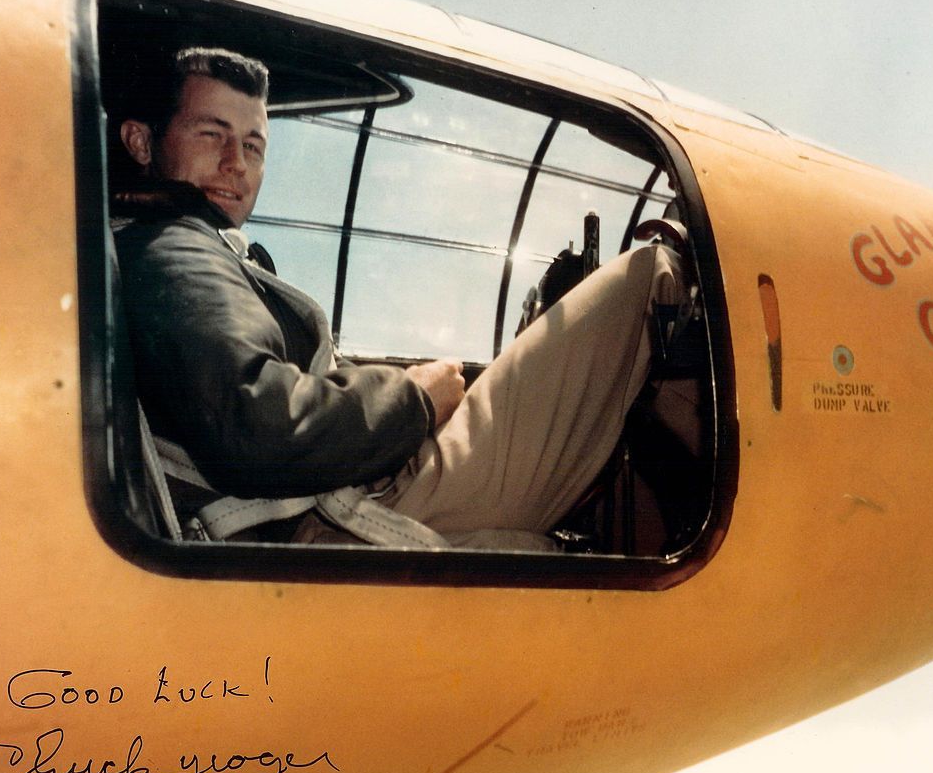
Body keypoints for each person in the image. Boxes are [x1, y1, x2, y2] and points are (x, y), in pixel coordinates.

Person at [113, 47, 689, 549]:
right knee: (649, 276)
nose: (237, 164)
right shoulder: (173, 246)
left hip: (342, 498)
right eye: (212, 135)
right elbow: (260, 423)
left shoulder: (189, 247)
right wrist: (413, 396)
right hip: (340, 513)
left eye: (254, 145)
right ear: (141, 142)